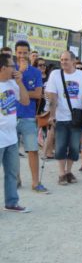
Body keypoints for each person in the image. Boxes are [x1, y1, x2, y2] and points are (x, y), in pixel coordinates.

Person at [46, 51, 82, 185]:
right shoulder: (55, 74)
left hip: (76, 117)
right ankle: (61, 173)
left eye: (66, 59)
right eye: (62, 60)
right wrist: (52, 115)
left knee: (74, 147)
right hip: (60, 117)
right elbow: (53, 97)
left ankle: (69, 171)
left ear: (73, 61)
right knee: (60, 146)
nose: (63, 62)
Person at [14, 41, 48, 193]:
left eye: (25, 53)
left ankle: (35, 182)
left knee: (33, 150)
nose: (22, 55)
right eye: (19, 52)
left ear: (29, 53)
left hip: (28, 116)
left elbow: (38, 94)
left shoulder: (35, 72)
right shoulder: (8, 70)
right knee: (12, 151)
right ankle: (16, 179)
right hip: (11, 117)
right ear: (15, 53)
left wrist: (20, 90)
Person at [0, 53, 31, 212]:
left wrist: (20, 83)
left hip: (11, 136)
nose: (15, 68)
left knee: (12, 173)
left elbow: (25, 101)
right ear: (4, 68)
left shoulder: (13, 84)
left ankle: (11, 202)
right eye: (12, 65)